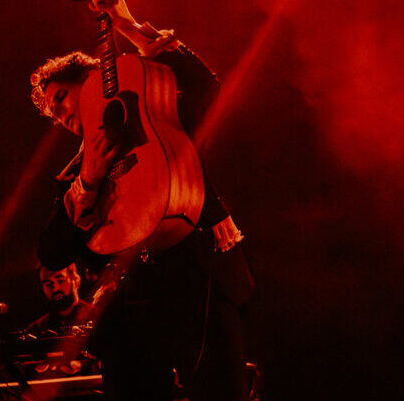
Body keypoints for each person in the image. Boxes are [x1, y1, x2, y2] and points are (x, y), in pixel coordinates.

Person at [30, 1, 255, 400]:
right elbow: (51, 251)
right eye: (52, 112)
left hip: (199, 280)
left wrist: (128, 27)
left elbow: (206, 88)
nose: (59, 114)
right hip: (131, 311)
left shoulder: (156, 110)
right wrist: (89, 181)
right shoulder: (71, 177)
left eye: (61, 97)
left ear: (92, 80)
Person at [27, 263, 94, 335]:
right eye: (48, 284)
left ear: (75, 280)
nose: (55, 289)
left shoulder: (96, 317)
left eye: (60, 281)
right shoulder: (36, 329)